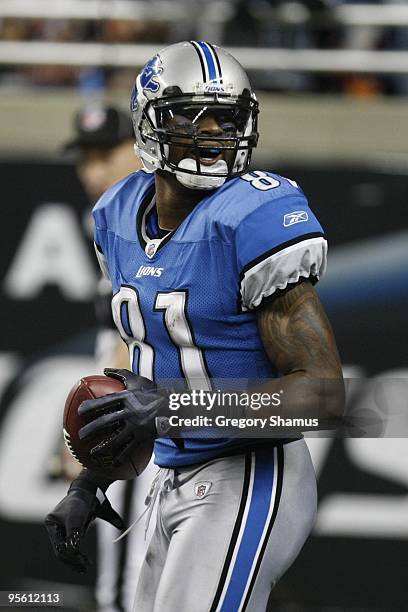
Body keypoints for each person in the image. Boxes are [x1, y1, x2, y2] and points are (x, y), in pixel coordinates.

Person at [46, 41, 344, 612]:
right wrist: (90, 481)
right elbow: (142, 375)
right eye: (190, 116)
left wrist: (168, 410)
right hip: (174, 475)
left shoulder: (252, 215)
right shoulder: (116, 213)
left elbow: (322, 395)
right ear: (149, 121)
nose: (211, 133)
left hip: (251, 468)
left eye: (225, 118)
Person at [62, 104, 158, 612]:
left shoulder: (156, 220)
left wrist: (94, 444)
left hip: (150, 424)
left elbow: (133, 343)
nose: (94, 170)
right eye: (85, 157)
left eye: (107, 154)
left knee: (126, 593)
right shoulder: (114, 222)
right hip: (157, 418)